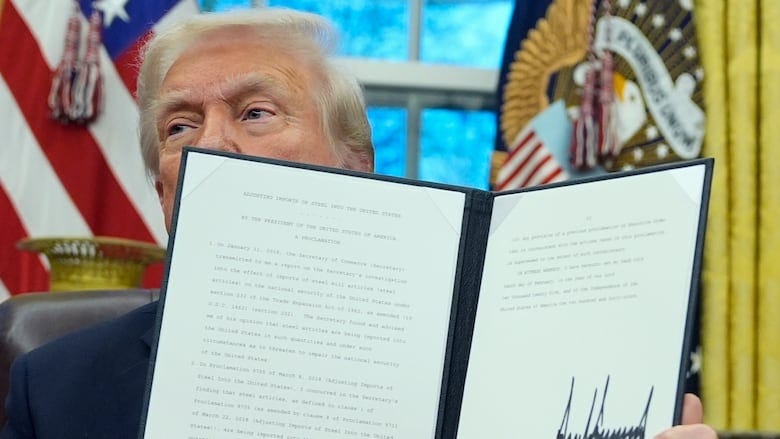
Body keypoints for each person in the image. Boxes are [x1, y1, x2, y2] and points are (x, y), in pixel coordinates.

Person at [0, 8, 717, 439]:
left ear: (356, 165)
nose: (211, 145)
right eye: (181, 126)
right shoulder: (55, 389)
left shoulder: (499, 368)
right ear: (162, 190)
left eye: (255, 112)